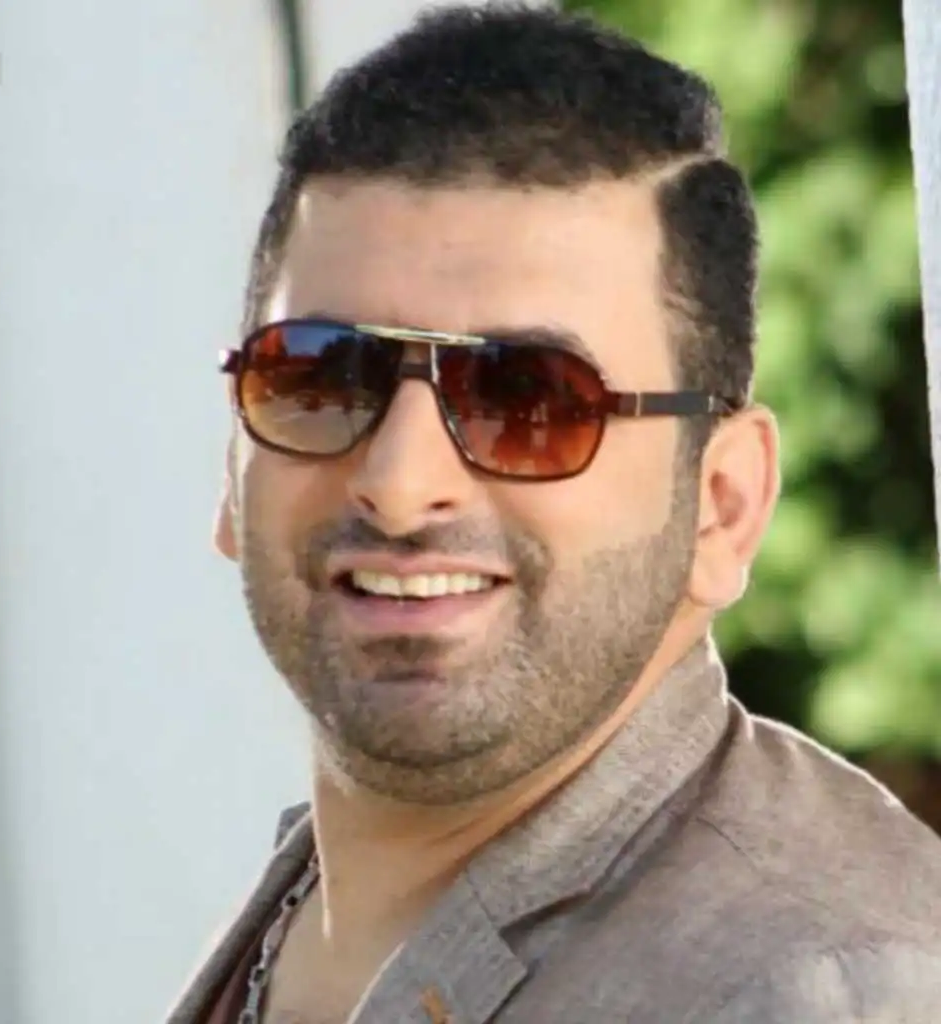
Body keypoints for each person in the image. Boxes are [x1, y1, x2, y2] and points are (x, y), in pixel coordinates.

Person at [168, 5, 941, 1022]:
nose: (399, 481)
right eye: (319, 377)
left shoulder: (815, 988)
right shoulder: (304, 908)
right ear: (234, 470)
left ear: (722, 504)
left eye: (528, 399)